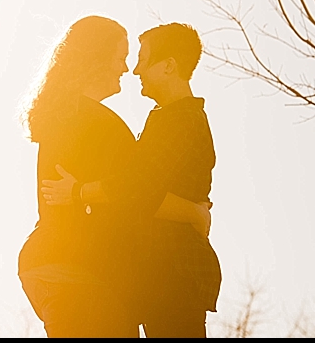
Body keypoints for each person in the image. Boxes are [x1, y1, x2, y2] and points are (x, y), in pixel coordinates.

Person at [18, 17, 210, 339]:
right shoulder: (100, 125)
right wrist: (195, 212)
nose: (127, 68)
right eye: (121, 57)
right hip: (81, 274)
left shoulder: (63, 116)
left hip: (47, 266)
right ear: (97, 59)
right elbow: (139, 192)